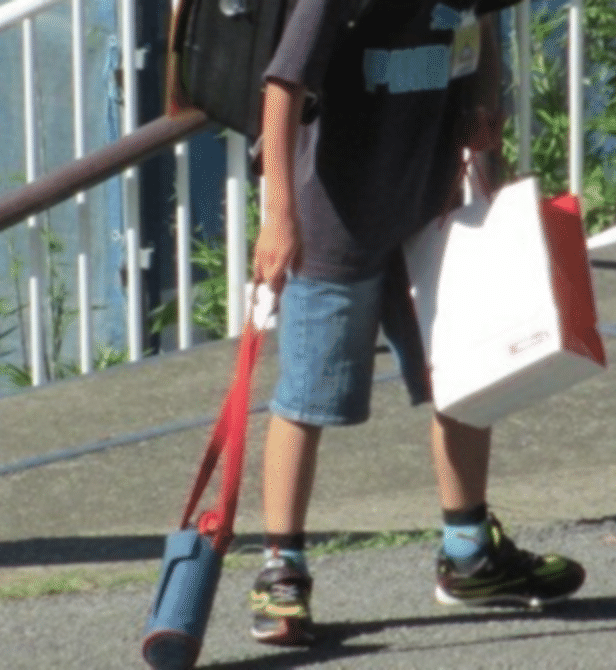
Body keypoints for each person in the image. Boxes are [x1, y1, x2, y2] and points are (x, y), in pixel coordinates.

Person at [246, 0, 586, 646]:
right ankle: (280, 567)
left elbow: (481, 38)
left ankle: (468, 553)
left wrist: (484, 132)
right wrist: (279, 217)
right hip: (333, 226)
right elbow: (282, 86)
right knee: (305, 399)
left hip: (428, 210)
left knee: (462, 374)